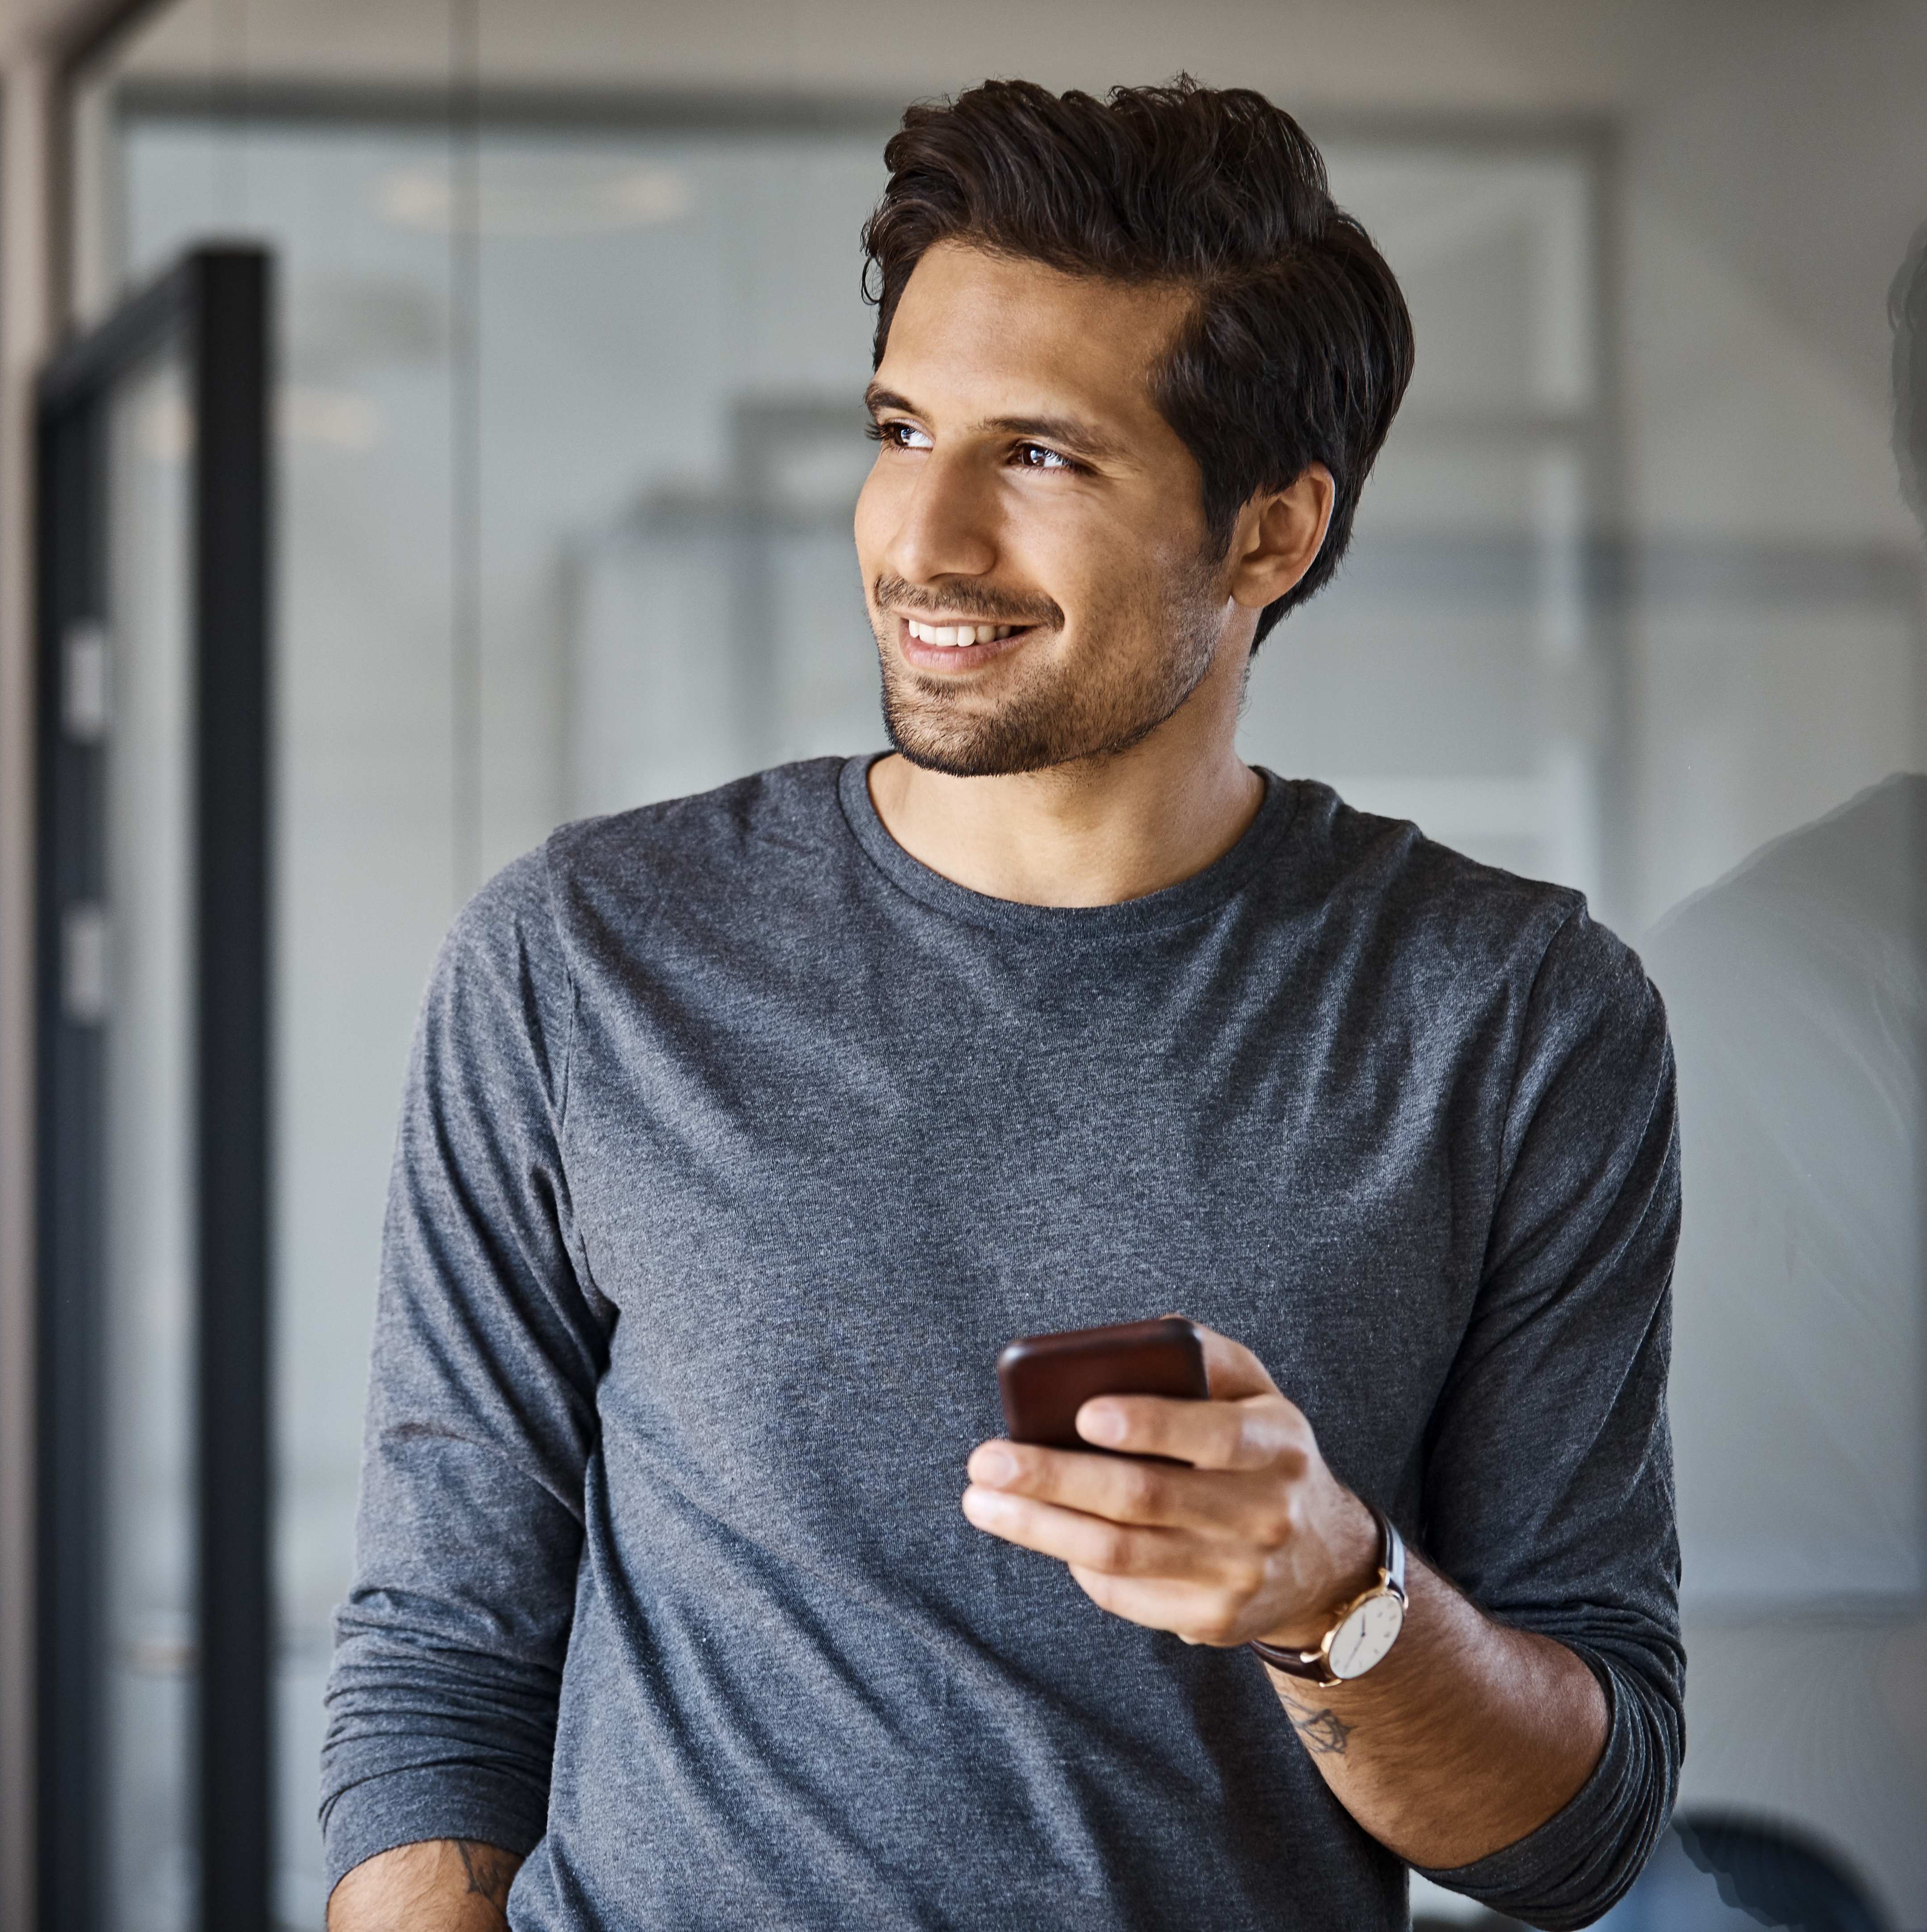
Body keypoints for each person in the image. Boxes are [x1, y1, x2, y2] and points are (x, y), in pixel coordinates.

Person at [320, 77, 1681, 1932]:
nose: (923, 540)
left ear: (1267, 538)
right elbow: (438, 1658)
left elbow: (1567, 1842)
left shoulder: (1510, 1015)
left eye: (1038, 457)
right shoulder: (582, 953)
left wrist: (1330, 1595)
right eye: (900, 428)